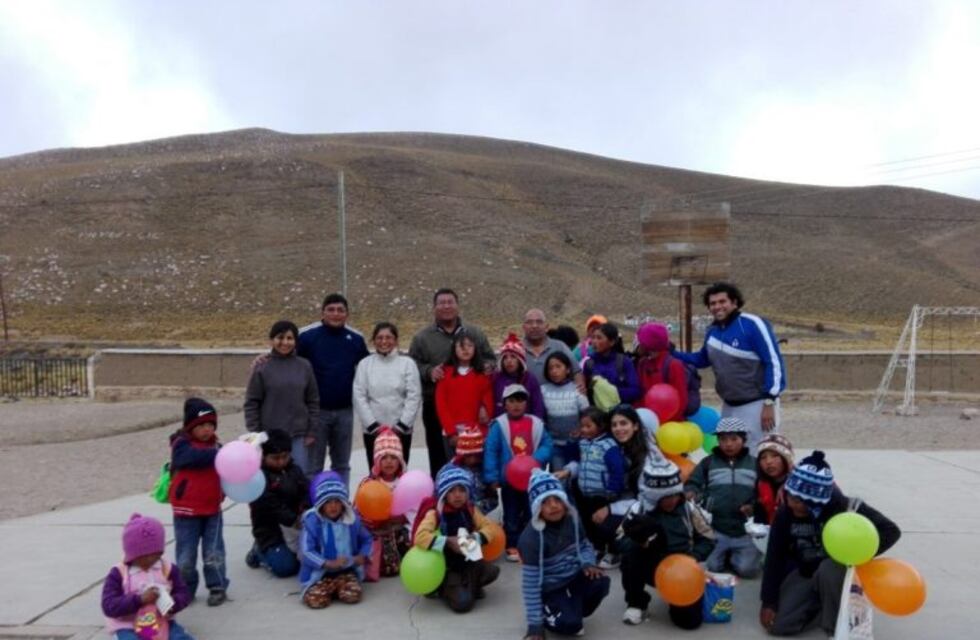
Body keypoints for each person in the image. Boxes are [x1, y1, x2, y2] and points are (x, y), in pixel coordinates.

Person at [760, 451, 901, 636]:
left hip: (835, 572)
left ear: (816, 503)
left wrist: (857, 554)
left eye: (799, 502)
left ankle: (835, 626)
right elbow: (774, 558)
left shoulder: (848, 507)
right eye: (790, 497)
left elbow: (891, 531)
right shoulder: (785, 513)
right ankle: (820, 605)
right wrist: (769, 602)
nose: (792, 505)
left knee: (829, 568)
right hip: (803, 571)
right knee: (779, 627)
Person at [672, 282, 786, 452]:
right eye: (712, 303)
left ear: (734, 302)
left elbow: (773, 361)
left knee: (759, 454)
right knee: (730, 453)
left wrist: (769, 401)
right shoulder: (713, 331)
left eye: (722, 301)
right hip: (729, 404)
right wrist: (671, 352)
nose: (717, 307)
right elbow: (702, 359)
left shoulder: (752, 324)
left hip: (757, 404)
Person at [409, 288, 495, 478]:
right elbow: (412, 363)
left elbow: (490, 358)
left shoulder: (474, 333)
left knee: (473, 456)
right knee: (439, 454)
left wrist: (487, 367)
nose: (446, 306)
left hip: (471, 408)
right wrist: (429, 371)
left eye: (450, 302)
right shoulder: (422, 337)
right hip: (436, 403)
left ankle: (475, 494)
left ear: (457, 306)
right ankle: (441, 491)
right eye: (442, 303)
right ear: (434, 307)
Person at [620, 457, 715, 628]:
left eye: (674, 495)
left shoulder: (688, 509)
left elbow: (708, 537)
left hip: (683, 569)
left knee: (690, 623)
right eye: (664, 497)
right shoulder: (638, 509)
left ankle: (679, 598)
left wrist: (694, 557)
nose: (671, 500)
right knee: (630, 557)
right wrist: (640, 543)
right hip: (652, 564)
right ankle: (637, 603)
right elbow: (620, 539)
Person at [519, 469, 610, 639]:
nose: (553, 505)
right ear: (536, 507)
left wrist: (588, 562)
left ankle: (571, 609)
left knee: (601, 582)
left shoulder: (573, 518)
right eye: (545, 502)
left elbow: (583, 544)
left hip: (574, 576)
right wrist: (535, 626)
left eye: (557, 499)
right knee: (570, 625)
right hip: (551, 587)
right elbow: (530, 584)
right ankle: (549, 613)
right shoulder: (530, 539)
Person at [297, 293, 370, 488]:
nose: (335, 314)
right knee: (312, 466)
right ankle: (312, 507)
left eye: (340, 310)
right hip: (316, 413)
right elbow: (285, 354)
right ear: (323, 312)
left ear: (347, 314)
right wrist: (264, 358)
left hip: (345, 412)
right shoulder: (306, 336)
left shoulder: (355, 339)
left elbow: (368, 369)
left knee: (342, 465)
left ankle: (341, 506)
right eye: (331, 310)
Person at [411, 464, 501, 613]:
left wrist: (475, 537)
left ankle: (469, 585)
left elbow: (490, 528)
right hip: (448, 567)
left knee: (492, 572)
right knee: (463, 605)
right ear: (444, 494)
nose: (457, 495)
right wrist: (447, 541)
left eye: (461, 490)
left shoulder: (471, 509)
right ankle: (443, 587)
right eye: (451, 491)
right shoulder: (436, 514)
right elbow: (419, 537)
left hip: (468, 560)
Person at [484, 384, 554, 561]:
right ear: (504, 404)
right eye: (512, 401)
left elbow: (547, 444)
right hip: (509, 480)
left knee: (533, 510)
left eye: (520, 401)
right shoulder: (499, 425)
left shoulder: (536, 424)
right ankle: (513, 544)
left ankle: (532, 542)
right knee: (512, 513)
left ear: (526, 403)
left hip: (531, 479)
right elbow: (491, 450)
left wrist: (536, 459)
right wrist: (492, 477)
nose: (516, 405)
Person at [168, 397, 228, 606]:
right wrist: (217, 454)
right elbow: (189, 458)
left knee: (214, 553)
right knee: (186, 556)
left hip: (212, 509)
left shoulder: (218, 447)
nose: (206, 430)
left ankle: (218, 586)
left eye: (210, 425)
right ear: (190, 426)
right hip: (186, 511)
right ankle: (186, 590)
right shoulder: (181, 444)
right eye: (201, 425)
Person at [685, 417, 761, 578]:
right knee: (711, 567)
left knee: (748, 570)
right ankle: (722, 554)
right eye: (723, 439)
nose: (728, 444)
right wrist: (692, 493)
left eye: (734, 439)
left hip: (745, 531)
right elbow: (693, 483)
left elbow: (763, 492)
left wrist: (753, 505)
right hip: (716, 529)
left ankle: (733, 556)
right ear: (717, 441)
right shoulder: (708, 462)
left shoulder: (755, 464)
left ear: (744, 440)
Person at [244, 320, 320, 476]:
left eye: (290, 338)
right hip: (269, 437)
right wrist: (256, 434)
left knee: (299, 477)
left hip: (298, 436)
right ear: (272, 340)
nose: (285, 342)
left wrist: (311, 431)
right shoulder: (262, 367)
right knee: (271, 480)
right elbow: (252, 402)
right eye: (280, 337)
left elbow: (312, 401)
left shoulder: (304, 366)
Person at [102, 513, 195, 640]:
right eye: (145, 557)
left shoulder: (167, 568)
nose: (151, 560)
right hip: (128, 625)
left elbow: (184, 593)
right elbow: (109, 605)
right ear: (132, 555)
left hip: (161, 621)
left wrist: (173, 604)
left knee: (179, 637)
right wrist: (139, 600)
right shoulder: (119, 573)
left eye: (156, 555)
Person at [583, 404, 651, 569]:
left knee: (605, 522)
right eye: (614, 425)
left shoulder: (646, 456)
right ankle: (600, 546)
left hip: (642, 508)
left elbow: (644, 500)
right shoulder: (614, 447)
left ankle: (620, 550)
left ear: (635, 426)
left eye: (624, 423)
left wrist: (610, 508)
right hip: (617, 499)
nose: (618, 429)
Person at [352, 321, 421, 468]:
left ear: (395, 340)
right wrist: (373, 426)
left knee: (399, 472)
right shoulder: (365, 364)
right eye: (380, 338)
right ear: (374, 340)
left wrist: (401, 426)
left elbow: (413, 396)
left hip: (401, 431)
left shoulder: (407, 364)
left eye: (388, 337)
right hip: (373, 431)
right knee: (376, 471)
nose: (384, 341)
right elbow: (359, 395)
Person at [561, 407, 627, 559]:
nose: (583, 429)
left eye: (588, 426)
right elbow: (573, 458)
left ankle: (611, 551)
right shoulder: (583, 442)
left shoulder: (609, 445)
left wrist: (612, 489)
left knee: (604, 525)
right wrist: (572, 441)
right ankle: (595, 548)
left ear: (601, 425)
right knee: (589, 523)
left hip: (602, 494)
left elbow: (617, 468)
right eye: (582, 426)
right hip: (585, 493)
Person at [299, 474, 373, 608]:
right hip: (320, 574)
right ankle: (328, 589)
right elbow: (306, 551)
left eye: (337, 501)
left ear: (343, 503)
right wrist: (327, 563)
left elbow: (367, 539)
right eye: (328, 502)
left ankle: (338, 587)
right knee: (316, 600)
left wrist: (362, 555)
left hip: (346, 571)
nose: (333, 506)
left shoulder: (351, 520)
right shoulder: (313, 522)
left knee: (353, 595)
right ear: (321, 504)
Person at [245, 429, 308, 578]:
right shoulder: (259, 478)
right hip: (271, 532)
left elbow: (306, 491)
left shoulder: (295, 471)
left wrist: (305, 508)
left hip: (295, 528)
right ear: (264, 456)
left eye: (285, 457)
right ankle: (259, 551)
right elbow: (269, 505)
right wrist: (293, 519)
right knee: (286, 568)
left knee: (309, 559)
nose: (281, 461)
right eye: (275, 458)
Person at [359, 428, 411, 579]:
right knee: (390, 569)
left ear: (400, 461)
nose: (389, 461)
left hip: (400, 528)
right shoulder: (369, 483)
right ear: (377, 461)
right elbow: (359, 510)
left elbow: (414, 509)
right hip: (379, 531)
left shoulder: (406, 482)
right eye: (384, 457)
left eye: (393, 457)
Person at [435, 330, 495, 460]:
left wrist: (486, 410)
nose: (465, 349)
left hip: (476, 433)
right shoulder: (445, 374)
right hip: (452, 433)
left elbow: (487, 399)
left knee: (476, 469)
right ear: (454, 349)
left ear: (475, 349)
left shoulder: (482, 375)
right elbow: (441, 404)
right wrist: (451, 432)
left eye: (469, 345)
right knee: (455, 468)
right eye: (461, 346)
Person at [540, 351, 589, 472]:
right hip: (554, 444)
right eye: (550, 368)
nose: (554, 371)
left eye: (558, 366)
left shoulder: (577, 389)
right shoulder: (543, 390)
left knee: (576, 474)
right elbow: (541, 416)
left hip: (576, 443)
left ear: (567, 369)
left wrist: (581, 430)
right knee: (560, 477)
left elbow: (587, 413)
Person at [634, 322, 688, 422]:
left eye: (641, 341)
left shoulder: (673, 365)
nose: (638, 344)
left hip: (670, 423)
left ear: (648, 344)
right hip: (649, 420)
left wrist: (670, 422)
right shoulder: (642, 363)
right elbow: (640, 394)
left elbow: (681, 400)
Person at [522, 308, 585, 392]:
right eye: (530, 322)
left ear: (546, 327)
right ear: (524, 327)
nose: (534, 326)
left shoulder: (560, 346)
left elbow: (576, 371)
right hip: (526, 403)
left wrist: (580, 393)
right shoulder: (517, 349)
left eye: (539, 322)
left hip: (557, 402)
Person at [583, 322, 642, 405]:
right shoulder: (589, 364)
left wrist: (612, 391)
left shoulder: (624, 362)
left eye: (599, 338)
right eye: (593, 338)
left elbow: (635, 391)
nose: (594, 341)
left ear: (612, 342)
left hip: (620, 411)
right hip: (598, 413)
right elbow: (586, 392)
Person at [489, 332, 545, 419]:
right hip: (501, 425)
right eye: (505, 357)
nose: (509, 361)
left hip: (525, 424)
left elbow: (537, 406)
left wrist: (536, 425)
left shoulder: (530, 379)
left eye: (513, 357)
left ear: (520, 360)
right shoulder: (495, 378)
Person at [453, 425, 498, 516]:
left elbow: (493, 497)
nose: (472, 460)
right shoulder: (453, 472)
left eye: (475, 456)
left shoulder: (485, 469)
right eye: (468, 456)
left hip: (483, 513)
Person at [754, 434, 795, 525]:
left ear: (786, 459)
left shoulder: (798, 483)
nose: (768, 462)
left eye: (775, 456)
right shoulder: (760, 483)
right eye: (763, 457)